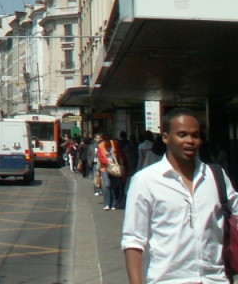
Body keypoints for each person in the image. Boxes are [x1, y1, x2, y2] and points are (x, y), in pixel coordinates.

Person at [123, 107, 238, 284]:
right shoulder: (145, 181)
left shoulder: (216, 176)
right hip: (167, 280)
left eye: (196, 135)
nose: (190, 141)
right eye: (182, 135)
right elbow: (133, 240)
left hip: (215, 279)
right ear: (166, 137)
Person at [98, 130, 126, 210]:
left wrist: (121, 164)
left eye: (109, 141)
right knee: (107, 184)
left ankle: (114, 203)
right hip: (105, 168)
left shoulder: (115, 144)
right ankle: (107, 203)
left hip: (114, 168)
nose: (108, 143)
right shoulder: (101, 146)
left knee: (114, 185)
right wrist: (107, 161)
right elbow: (100, 158)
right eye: (106, 141)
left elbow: (120, 154)